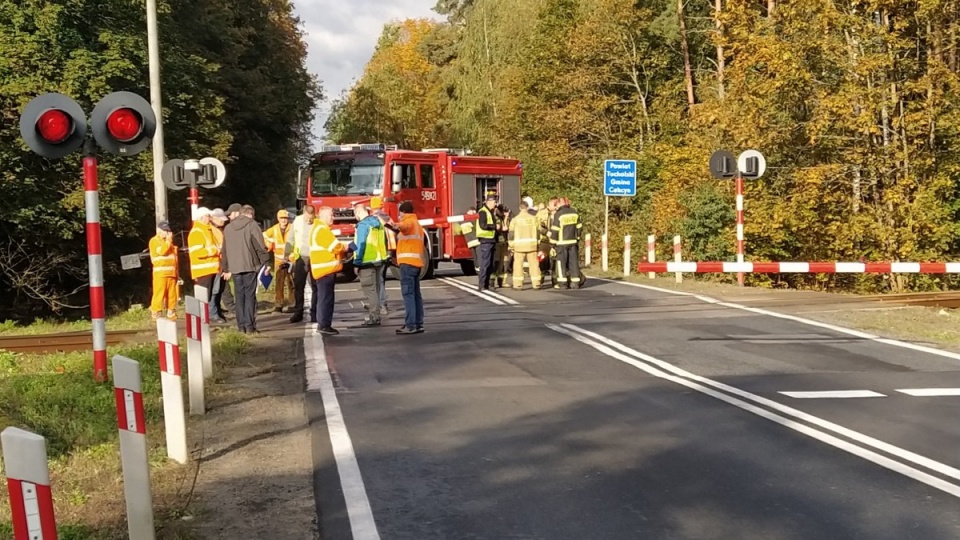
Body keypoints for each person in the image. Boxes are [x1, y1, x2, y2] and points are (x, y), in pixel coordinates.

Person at [221, 204, 271, 333]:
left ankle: (241, 326)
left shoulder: (228, 228)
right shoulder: (252, 225)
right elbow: (259, 246)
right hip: (250, 266)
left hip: (235, 267)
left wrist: (225, 268)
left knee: (239, 296)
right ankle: (250, 326)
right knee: (250, 296)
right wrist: (266, 262)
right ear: (250, 214)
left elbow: (224, 250)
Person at [350, 203, 388, 326]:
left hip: (367, 262)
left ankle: (374, 317)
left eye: (355, 214)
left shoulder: (363, 225)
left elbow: (361, 245)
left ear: (358, 213)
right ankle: (376, 314)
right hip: (379, 260)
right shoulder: (378, 223)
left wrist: (356, 263)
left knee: (370, 291)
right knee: (376, 289)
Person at [310, 206, 346, 335]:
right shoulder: (322, 230)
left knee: (323, 298)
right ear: (323, 216)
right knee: (326, 299)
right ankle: (324, 325)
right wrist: (348, 247)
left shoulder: (319, 228)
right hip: (325, 270)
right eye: (331, 215)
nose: (333, 217)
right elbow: (335, 247)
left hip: (323, 270)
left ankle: (323, 324)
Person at [395, 201, 425, 334]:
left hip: (407, 263)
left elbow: (404, 227)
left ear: (403, 212)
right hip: (416, 263)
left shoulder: (409, 222)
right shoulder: (417, 224)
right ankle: (417, 323)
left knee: (408, 295)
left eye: (400, 213)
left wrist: (394, 225)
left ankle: (411, 325)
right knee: (416, 295)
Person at [289, 205, 318, 323]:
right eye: (307, 218)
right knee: (298, 286)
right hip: (301, 257)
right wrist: (287, 254)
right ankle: (298, 312)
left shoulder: (318, 222)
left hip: (315, 257)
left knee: (316, 287)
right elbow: (290, 238)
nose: (308, 221)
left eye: (311, 218)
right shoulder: (297, 221)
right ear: (304, 213)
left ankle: (315, 313)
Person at [263, 209, 295, 313]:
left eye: (285, 218)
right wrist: (269, 244)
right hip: (279, 260)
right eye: (282, 218)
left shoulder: (292, 228)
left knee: (292, 283)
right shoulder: (274, 229)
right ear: (278, 219)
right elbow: (264, 236)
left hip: (291, 259)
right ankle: (279, 304)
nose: (284, 220)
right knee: (279, 283)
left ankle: (292, 304)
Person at [550, 197, 583, 289]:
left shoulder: (559, 214)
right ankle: (575, 283)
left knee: (561, 264)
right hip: (573, 243)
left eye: (556, 204)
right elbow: (579, 227)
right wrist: (577, 238)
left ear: (560, 204)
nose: (556, 207)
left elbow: (555, 230)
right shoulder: (574, 212)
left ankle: (562, 283)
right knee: (574, 263)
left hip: (561, 244)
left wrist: (552, 245)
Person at [508, 200, 541, 290]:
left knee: (518, 265)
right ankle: (536, 283)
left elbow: (511, 234)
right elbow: (538, 233)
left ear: (520, 208)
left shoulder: (515, 220)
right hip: (532, 246)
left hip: (519, 247)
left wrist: (511, 246)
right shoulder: (534, 219)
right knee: (534, 265)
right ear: (527, 208)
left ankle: (518, 285)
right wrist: (538, 244)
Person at [187, 207, 221, 296]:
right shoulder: (196, 232)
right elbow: (197, 253)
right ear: (201, 217)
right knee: (203, 299)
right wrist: (215, 250)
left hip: (211, 269)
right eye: (207, 216)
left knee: (208, 297)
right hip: (203, 271)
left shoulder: (207, 230)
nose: (209, 218)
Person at [149, 220, 178, 320]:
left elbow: (174, 258)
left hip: (171, 273)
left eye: (167, 231)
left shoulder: (168, 242)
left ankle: (171, 312)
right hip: (160, 274)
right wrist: (168, 241)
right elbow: (162, 251)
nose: (166, 233)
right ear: (158, 230)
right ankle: (156, 313)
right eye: (165, 230)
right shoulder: (154, 241)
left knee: (172, 294)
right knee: (159, 293)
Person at [208, 208, 231, 323]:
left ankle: (217, 310)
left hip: (219, 263)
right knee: (214, 289)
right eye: (221, 219)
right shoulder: (211, 230)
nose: (223, 221)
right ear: (213, 218)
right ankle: (213, 313)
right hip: (214, 264)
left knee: (219, 289)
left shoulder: (218, 230)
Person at [475, 195, 500, 291]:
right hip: (486, 240)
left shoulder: (490, 212)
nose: (495, 204)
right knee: (485, 263)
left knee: (490, 263)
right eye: (494, 202)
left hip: (491, 240)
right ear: (489, 201)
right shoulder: (483, 212)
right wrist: (494, 226)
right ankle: (482, 285)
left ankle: (487, 284)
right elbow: (483, 225)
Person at [494, 204, 511, 288]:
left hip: (503, 243)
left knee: (502, 263)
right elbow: (504, 228)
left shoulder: (501, 218)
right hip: (498, 243)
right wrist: (506, 218)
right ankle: (493, 281)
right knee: (497, 263)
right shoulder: (497, 218)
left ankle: (501, 281)